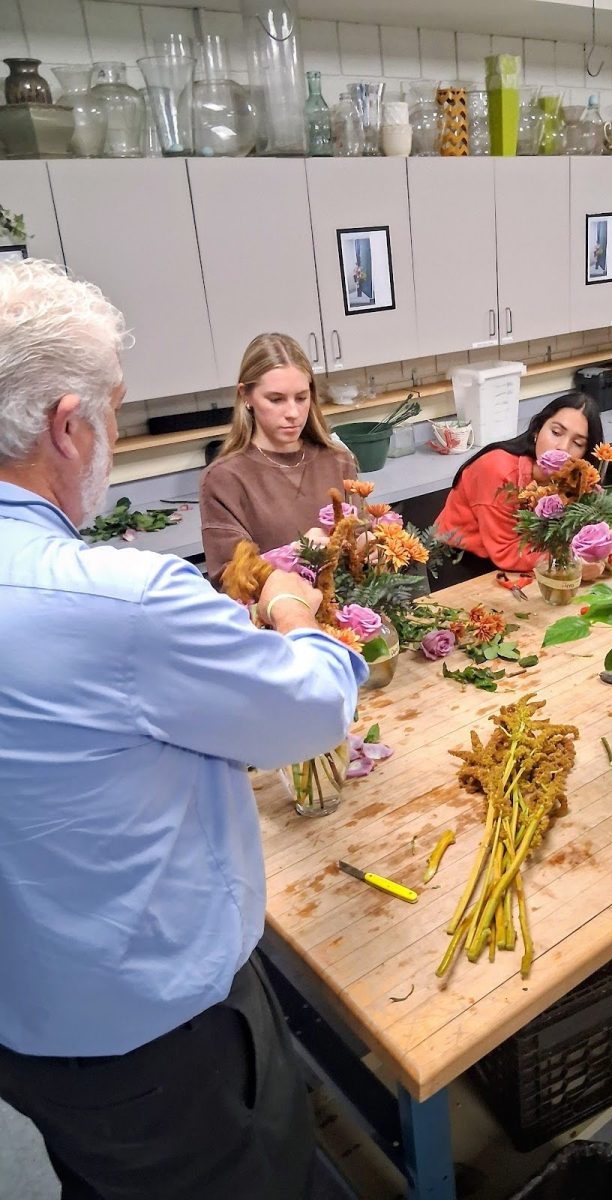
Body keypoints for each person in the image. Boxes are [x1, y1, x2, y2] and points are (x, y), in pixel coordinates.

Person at [0, 259, 367, 1199]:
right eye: (115, 411)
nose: (114, 437)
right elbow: (312, 707)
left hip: (31, 1023)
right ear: (67, 424)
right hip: (156, 1035)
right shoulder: (120, 602)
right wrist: (293, 612)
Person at [200, 332, 356, 582]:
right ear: (246, 396)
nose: (293, 412)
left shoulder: (338, 461)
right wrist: (294, 555)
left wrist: (372, 546)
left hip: (345, 615)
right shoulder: (224, 479)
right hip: (277, 618)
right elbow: (228, 579)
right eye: (276, 399)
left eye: (301, 398)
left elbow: (358, 540)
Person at [434, 391, 612, 584]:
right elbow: (505, 551)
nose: (562, 447)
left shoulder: (573, 479)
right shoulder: (496, 469)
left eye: (577, 443)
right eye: (556, 432)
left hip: (521, 560)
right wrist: (569, 565)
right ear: (537, 430)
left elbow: (570, 534)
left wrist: (597, 555)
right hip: (462, 564)